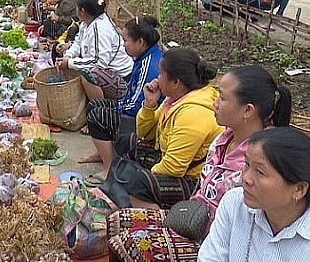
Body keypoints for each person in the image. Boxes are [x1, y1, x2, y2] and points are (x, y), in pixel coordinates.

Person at [106, 64, 294, 260]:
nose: (215, 103)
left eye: (222, 98)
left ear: (247, 110)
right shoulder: (225, 137)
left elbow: (250, 227)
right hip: (195, 218)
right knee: (118, 220)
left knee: (132, 243)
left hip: (216, 242)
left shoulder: (261, 159)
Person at [198, 127, 310, 261]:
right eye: (247, 164)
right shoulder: (234, 204)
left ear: (299, 189)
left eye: (260, 172)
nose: (246, 178)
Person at [104, 48, 222, 209]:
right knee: (126, 142)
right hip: (169, 157)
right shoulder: (174, 98)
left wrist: (145, 173)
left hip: (193, 179)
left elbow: (174, 167)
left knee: (135, 181)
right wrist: (149, 105)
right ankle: (126, 196)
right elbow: (145, 134)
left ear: (176, 83)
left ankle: (157, 217)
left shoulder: (194, 113)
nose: (157, 78)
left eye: (160, 74)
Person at [78, 16, 163, 183]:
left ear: (140, 42)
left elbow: (137, 104)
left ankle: (110, 168)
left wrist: (115, 108)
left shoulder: (150, 64)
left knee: (98, 116)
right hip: (134, 109)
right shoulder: (144, 57)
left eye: (126, 40)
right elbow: (131, 93)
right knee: (94, 105)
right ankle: (103, 153)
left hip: (142, 120)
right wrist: (116, 105)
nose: (123, 44)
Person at [56, 0, 134, 102]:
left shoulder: (100, 29)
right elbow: (78, 42)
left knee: (87, 74)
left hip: (120, 76)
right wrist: (67, 57)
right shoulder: (86, 23)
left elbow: (100, 62)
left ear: (82, 11)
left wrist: (69, 63)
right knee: (71, 63)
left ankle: (100, 108)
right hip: (105, 69)